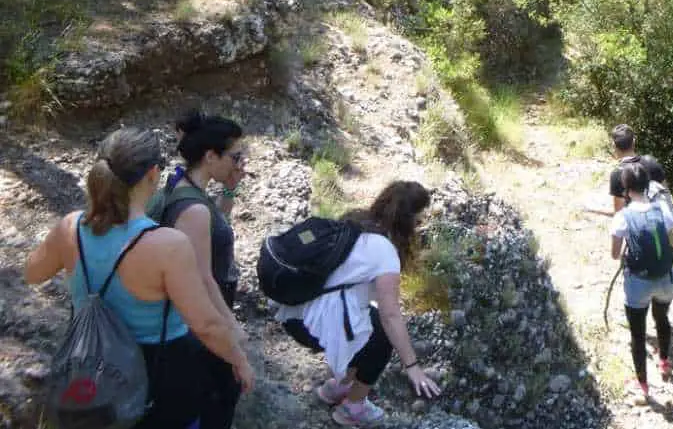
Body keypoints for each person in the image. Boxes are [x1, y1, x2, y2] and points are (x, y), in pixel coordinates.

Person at [24, 128, 254, 429]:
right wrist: (239, 359)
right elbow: (206, 325)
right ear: (154, 174)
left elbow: (32, 273)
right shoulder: (168, 245)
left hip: (92, 367)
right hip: (159, 378)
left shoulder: (71, 228)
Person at [275, 181, 442, 426]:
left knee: (368, 321)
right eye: (419, 220)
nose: (422, 226)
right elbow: (391, 315)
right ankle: (353, 407)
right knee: (384, 334)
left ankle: (338, 387)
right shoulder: (385, 251)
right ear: (409, 221)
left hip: (295, 310)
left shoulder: (354, 221)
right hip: (312, 323)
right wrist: (413, 366)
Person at [147, 110, 247, 429]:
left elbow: (218, 226)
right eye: (234, 156)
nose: (239, 162)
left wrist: (230, 190)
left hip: (199, 312)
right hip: (198, 317)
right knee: (219, 392)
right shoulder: (192, 208)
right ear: (210, 156)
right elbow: (202, 278)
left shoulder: (183, 185)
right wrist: (229, 326)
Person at [610, 161, 673, 405]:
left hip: (638, 284)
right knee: (662, 318)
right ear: (648, 186)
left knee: (638, 336)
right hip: (666, 281)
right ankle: (665, 363)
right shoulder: (663, 210)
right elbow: (672, 243)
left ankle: (643, 386)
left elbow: (615, 255)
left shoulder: (622, 217)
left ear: (626, 189)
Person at [606, 124, 673, 219]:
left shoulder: (617, 174)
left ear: (614, 145)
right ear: (634, 142)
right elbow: (666, 193)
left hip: (637, 229)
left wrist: (594, 210)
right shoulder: (651, 162)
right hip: (661, 223)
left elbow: (619, 214)